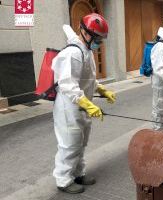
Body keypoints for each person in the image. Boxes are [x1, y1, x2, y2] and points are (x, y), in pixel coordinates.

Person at [51, 13, 116, 194]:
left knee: (81, 142)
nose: (98, 42)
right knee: (70, 144)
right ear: (84, 32)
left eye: (100, 39)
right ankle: (63, 180)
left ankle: (78, 173)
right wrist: (87, 104)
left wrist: (101, 90)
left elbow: (88, 79)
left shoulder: (86, 52)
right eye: (96, 38)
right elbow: (68, 85)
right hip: (68, 108)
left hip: (82, 105)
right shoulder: (72, 53)